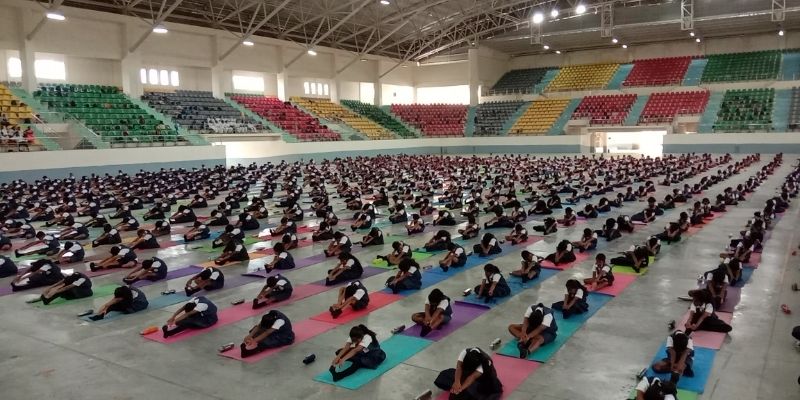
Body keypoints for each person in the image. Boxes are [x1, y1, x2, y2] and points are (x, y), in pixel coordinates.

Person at [434, 347, 503, 400]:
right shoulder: (465, 352)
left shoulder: (484, 363)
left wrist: (459, 389)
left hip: (483, 381)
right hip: (468, 374)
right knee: (444, 376)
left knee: (468, 394)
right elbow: (459, 367)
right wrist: (457, 382)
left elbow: (472, 377)